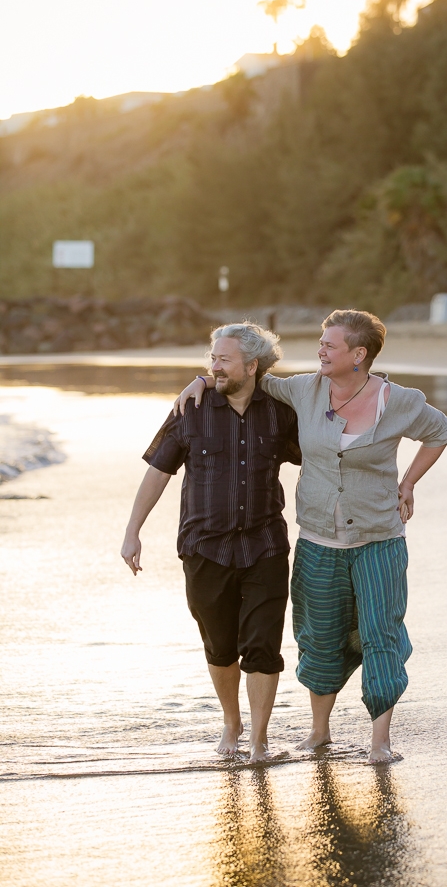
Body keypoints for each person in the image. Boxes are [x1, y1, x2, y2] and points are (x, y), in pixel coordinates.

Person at [175, 310, 447, 762]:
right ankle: (319, 732)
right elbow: (248, 378)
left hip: (379, 537)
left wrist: (408, 483)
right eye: (321, 343)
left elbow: (440, 431)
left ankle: (380, 740)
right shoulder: (304, 389)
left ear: (358, 354)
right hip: (319, 540)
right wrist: (201, 381)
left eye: (330, 345)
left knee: (381, 633)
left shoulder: (397, 400)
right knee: (319, 638)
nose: (320, 350)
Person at [121, 323, 301, 762]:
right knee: (220, 648)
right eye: (211, 359)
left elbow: (323, 453)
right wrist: (132, 531)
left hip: (266, 547)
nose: (212, 366)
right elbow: (158, 472)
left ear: (252, 365)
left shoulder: (280, 411)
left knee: (262, 647)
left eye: (223, 359)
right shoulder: (191, 408)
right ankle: (231, 721)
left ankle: (258, 740)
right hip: (205, 549)